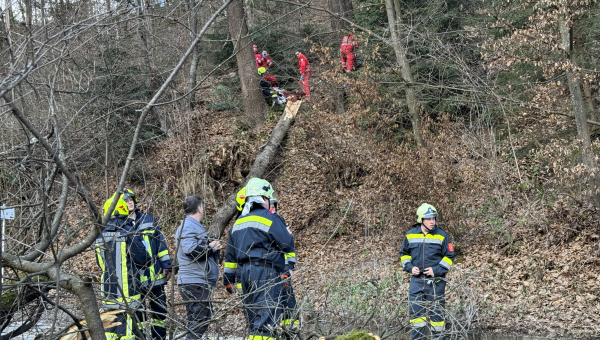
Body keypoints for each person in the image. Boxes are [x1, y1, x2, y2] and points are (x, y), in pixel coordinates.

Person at [223, 178, 295, 340]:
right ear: (263, 198)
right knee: (267, 323)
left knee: (255, 320)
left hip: (245, 276)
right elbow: (285, 242)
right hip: (265, 273)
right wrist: (288, 266)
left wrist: (228, 278)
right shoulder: (268, 217)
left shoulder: (238, 222)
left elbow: (230, 255)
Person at [96, 191, 150, 340]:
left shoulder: (99, 236)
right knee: (127, 331)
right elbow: (144, 259)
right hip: (129, 292)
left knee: (110, 329)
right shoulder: (127, 232)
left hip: (107, 291)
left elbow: (100, 264)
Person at [399, 204, 455, 340]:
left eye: (434, 218)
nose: (432, 222)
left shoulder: (442, 235)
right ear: (420, 219)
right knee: (416, 317)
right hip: (417, 281)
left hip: (436, 282)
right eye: (428, 219)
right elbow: (404, 254)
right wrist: (410, 267)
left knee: (437, 317)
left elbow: (450, 256)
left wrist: (436, 270)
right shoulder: (410, 234)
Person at [123, 188, 172, 340]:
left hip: (155, 275)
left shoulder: (148, 219)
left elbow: (160, 243)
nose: (129, 202)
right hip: (135, 280)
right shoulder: (119, 225)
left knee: (160, 312)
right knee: (139, 316)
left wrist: (167, 265)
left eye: (131, 199)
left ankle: (159, 338)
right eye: (125, 200)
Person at [175, 195, 222, 339]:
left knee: (196, 321)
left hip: (195, 281)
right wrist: (211, 247)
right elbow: (190, 250)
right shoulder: (189, 226)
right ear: (200, 209)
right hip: (194, 282)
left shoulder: (190, 226)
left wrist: (209, 244)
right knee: (200, 321)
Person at [269, 198, 298, 330]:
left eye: (275, 206)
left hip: (283, 270)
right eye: (271, 206)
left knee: (289, 304)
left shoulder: (279, 220)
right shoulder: (264, 222)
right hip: (272, 271)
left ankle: (292, 332)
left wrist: (290, 267)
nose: (273, 209)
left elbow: (288, 247)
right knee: (274, 306)